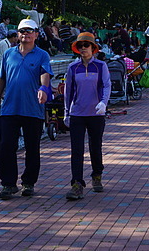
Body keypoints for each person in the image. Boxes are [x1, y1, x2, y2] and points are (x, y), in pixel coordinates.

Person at [0, 19, 53, 200]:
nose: (25, 34)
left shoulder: (42, 54)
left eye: (29, 31)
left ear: (36, 34)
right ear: (17, 34)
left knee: (32, 147)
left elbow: (45, 73)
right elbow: (1, 78)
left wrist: (43, 89)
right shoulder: (9, 54)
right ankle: (8, 184)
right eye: (22, 31)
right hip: (10, 108)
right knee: (6, 147)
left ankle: (29, 182)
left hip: (33, 108)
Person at [64, 32, 110, 200]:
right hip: (77, 113)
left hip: (96, 113)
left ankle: (97, 174)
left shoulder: (100, 66)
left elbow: (106, 86)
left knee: (95, 146)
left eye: (86, 45)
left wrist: (103, 102)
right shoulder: (72, 68)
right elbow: (68, 91)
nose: (83, 48)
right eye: (80, 46)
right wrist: (66, 112)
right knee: (76, 149)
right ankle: (76, 183)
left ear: (93, 48)